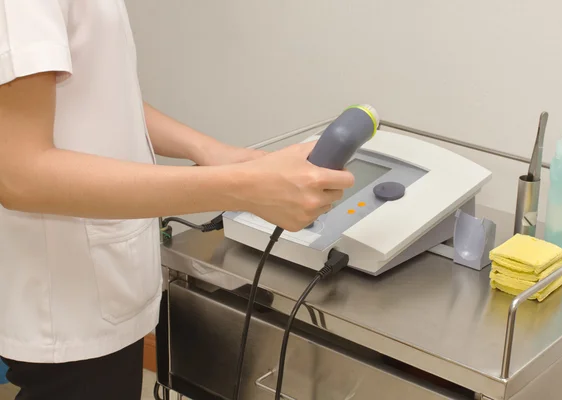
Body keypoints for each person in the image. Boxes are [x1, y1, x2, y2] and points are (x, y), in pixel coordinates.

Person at [0, 1, 354, 399]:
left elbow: (98, 89)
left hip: (96, 284)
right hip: (65, 301)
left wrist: (209, 151)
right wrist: (240, 186)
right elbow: (20, 175)